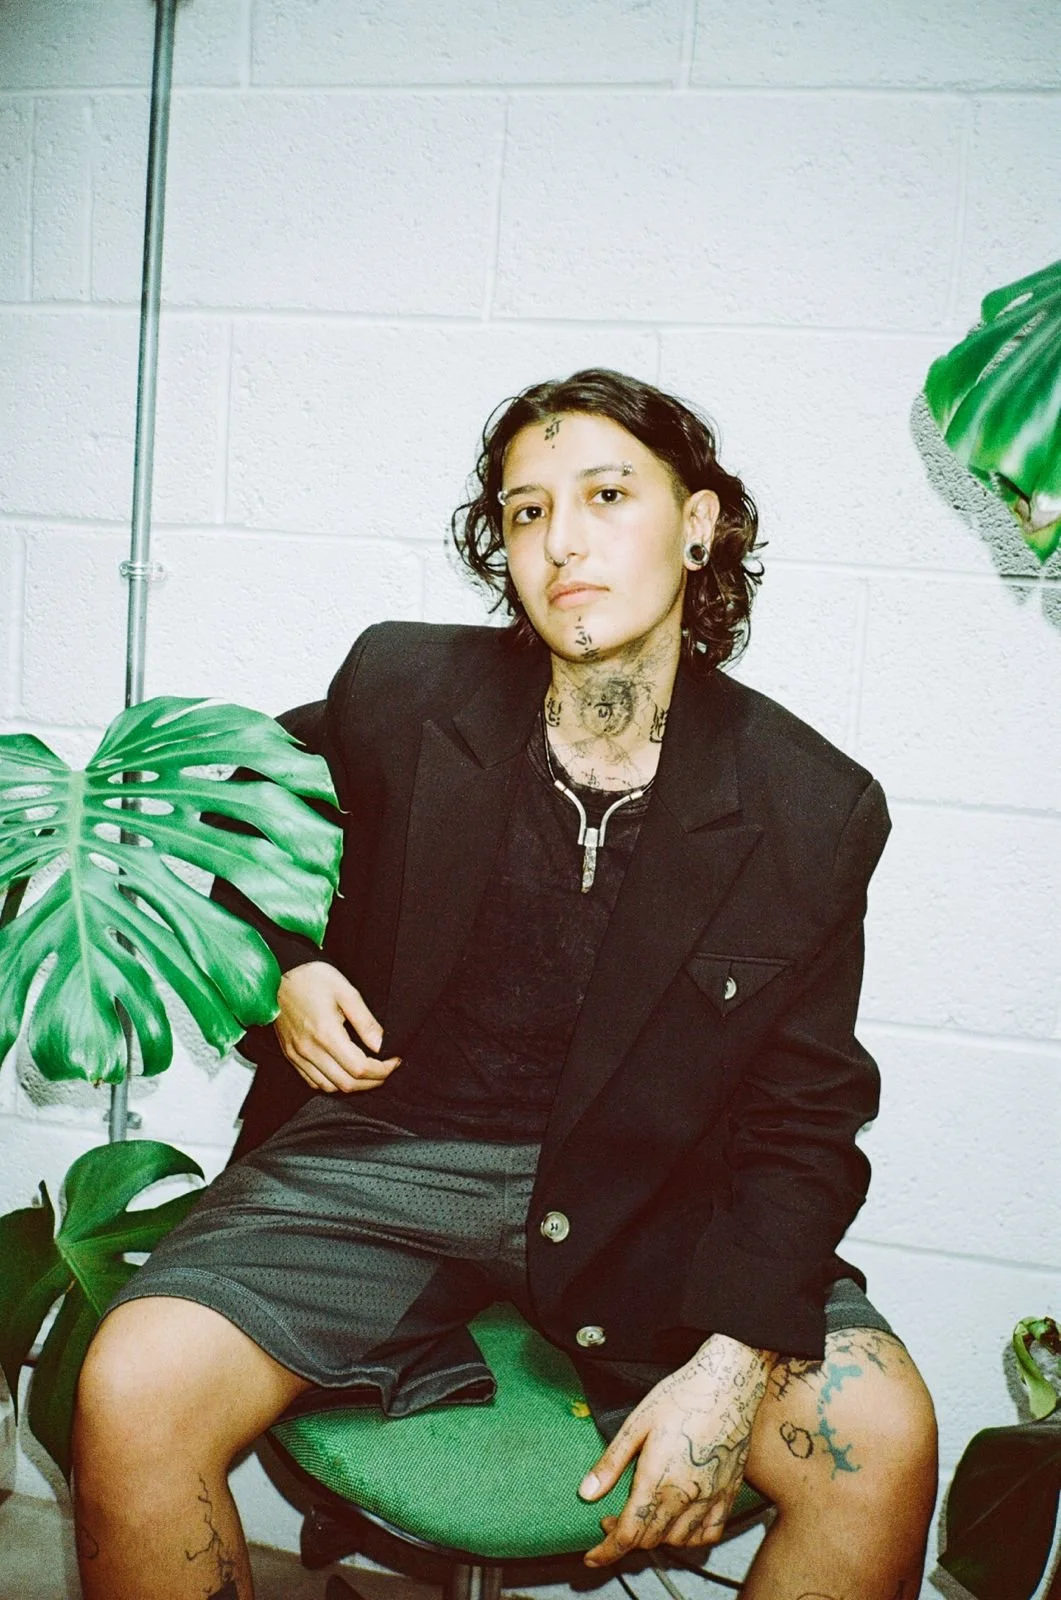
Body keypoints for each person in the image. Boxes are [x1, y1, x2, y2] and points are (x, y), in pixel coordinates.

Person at [72, 369, 937, 1600]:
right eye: (526, 511)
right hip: (382, 1160)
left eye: (604, 493)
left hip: (656, 1191)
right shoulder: (403, 689)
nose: (562, 540)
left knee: (882, 1437)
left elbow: (805, 1114)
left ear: (696, 524)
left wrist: (734, 1359)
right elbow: (234, 810)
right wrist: (285, 969)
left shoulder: (807, 803)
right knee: (133, 1382)